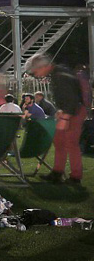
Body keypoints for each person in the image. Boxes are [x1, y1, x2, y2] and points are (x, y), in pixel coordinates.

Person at [25, 53, 86, 184]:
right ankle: (57, 172)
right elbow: (67, 96)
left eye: (35, 72)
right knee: (59, 141)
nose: (35, 75)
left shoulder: (60, 75)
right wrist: (60, 111)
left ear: (42, 67)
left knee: (71, 143)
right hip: (69, 110)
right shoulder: (58, 72)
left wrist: (65, 117)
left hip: (74, 112)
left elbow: (71, 98)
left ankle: (75, 177)